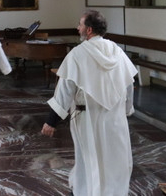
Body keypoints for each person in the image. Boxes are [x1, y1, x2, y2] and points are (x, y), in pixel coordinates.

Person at [40, 10, 137, 196]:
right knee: (114, 160)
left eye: (80, 24)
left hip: (87, 119)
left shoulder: (78, 54)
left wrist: (51, 121)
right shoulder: (117, 51)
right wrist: (125, 110)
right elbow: (128, 84)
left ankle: (85, 191)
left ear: (89, 30)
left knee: (89, 159)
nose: (78, 28)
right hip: (115, 118)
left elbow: (65, 90)